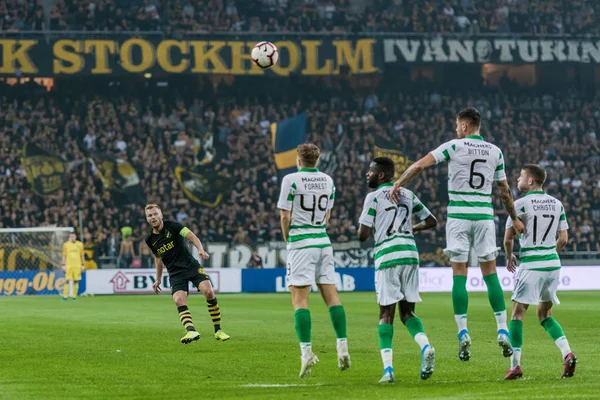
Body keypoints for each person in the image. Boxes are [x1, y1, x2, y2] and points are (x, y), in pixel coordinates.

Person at [390, 107, 526, 361]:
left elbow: (420, 165)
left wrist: (399, 182)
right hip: (485, 216)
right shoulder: (495, 151)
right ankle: (502, 329)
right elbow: (505, 191)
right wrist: (515, 219)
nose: (456, 130)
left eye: (456, 126)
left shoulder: (453, 146)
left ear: (464, 126)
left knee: (459, 275)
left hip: (458, 217)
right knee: (490, 274)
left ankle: (463, 332)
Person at [358, 157, 438, 383]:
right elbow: (431, 221)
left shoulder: (373, 198)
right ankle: (426, 346)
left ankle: (388, 371)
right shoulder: (409, 195)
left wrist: (374, 228)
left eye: (370, 171)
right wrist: (412, 228)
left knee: (386, 314)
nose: (367, 175)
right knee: (408, 313)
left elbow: (362, 236)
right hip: (410, 255)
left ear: (381, 175)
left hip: (388, 256)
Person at [277, 143, 350, 378]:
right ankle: (342, 346)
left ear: (298, 160)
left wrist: (288, 239)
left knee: (300, 300)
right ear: (317, 160)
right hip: (323, 243)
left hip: (301, 243)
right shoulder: (328, 181)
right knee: (332, 296)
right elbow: (327, 215)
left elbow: (285, 215)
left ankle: (306, 353)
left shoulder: (291, 180)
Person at [503, 164, 577, 379]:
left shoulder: (520, 205)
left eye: (520, 176)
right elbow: (563, 239)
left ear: (531, 181)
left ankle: (515, 365)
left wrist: (509, 257)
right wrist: (549, 254)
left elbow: (508, 240)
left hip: (531, 264)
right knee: (544, 314)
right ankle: (567, 353)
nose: (518, 179)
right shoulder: (557, 204)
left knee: (517, 313)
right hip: (553, 265)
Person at [144, 204, 230, 344]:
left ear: (161, 215)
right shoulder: (149, 239)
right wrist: (158, 279)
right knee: (178, 299)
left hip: (191, 266)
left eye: (155, 214)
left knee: (208, 292)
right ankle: (191, 330)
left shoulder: (174, 226)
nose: (153, 217)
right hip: (175, 273)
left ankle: (218, 330)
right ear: (147, 219)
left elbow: (192, 237)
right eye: (149, 215)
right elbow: (158, 257)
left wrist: (200, 250)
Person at [61, 232, 85, 301]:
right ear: (69, 237)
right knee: (66, 280)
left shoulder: (80, 244)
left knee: (76, 281)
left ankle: (74, 297)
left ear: (76, 236)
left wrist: (83, 265)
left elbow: (82, 255)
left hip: (77, 265)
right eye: (71, 236)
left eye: (73, 236)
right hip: (68, 265)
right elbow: (64, 255)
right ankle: (65, 297)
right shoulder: (66, 244)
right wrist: (63, 265)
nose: (72, 237)